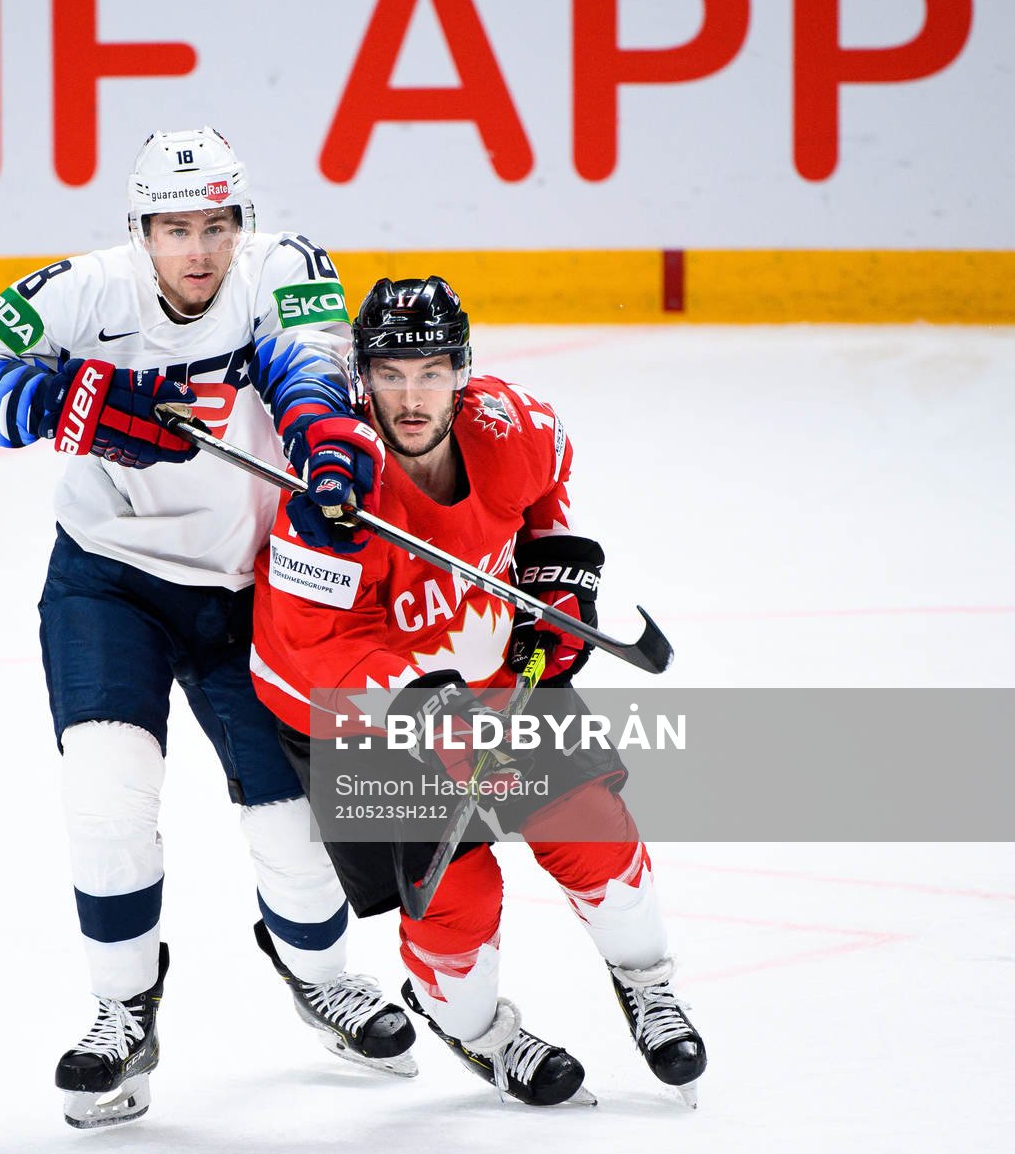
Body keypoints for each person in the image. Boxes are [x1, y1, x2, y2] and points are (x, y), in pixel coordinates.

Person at [0, 128, 416, 1128]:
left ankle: (317, 970)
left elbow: (312, 370)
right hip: (111, 580)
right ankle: (122, 1010)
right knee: (108, 787)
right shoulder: (80, 295)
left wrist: (328, 451)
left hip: (254, 591)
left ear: (242, 222)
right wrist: (82, 404)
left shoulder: (286, 268)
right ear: (139, 229)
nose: (197, 249)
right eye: (173, 227)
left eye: (214, 225)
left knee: (290, 826)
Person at [248, 275, 708, 1108]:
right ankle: (477, 1029)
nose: (412, 395)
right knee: (460, 905)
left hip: (494, 686)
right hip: (360, 723)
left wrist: (557, 591)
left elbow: (543, 505)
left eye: (431, 371)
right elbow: (309, 650)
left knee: (596, 835)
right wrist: (412, 699)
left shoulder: (509, 425)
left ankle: (647, 982)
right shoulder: (327, 496)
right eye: (390, 373)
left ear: (464, 372)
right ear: (361, 375)